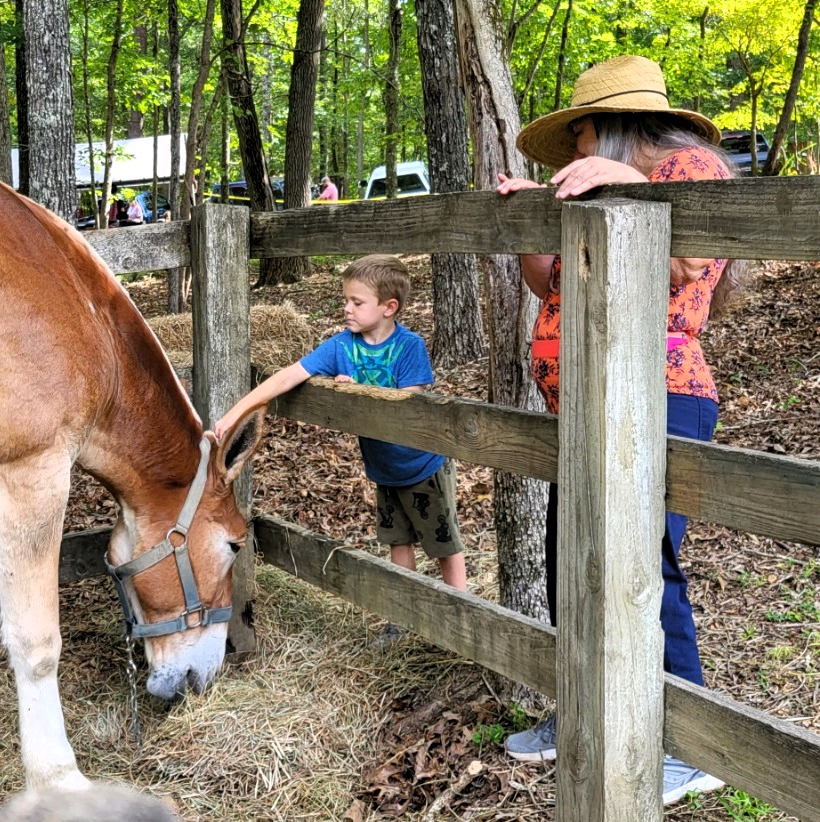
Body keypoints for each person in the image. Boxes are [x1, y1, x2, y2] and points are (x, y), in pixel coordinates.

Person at [494, 54, 742, 806]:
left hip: (661, 396)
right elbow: (550, 283)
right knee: (572, 558)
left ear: (604, 131)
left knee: (644, 567)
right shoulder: (598, 185)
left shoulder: (684, 165)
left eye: (576, 143)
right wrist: (533, 216)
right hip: (586, 406)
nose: (572, 156)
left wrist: (618, 183)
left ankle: (687, 743)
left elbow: (695, 245)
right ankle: (581, 711)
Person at [213, 255, 468, 644]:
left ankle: (463, 617)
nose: (346, 308)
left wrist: (359, 393)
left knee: (444, 545)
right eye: (345, 300)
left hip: (423, 465)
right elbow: (288, 375)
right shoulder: (340, 347)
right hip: (384, 470)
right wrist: (237, 413)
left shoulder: (409, 347)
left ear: (389, 307)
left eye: (356, 302)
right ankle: (404, 618)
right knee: (398, 541)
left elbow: (410, 403)